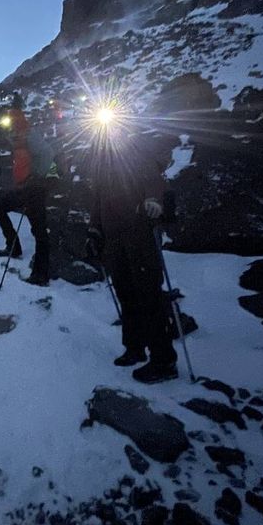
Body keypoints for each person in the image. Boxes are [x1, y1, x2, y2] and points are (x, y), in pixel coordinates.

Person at [88, 130, 178, 383]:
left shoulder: (135, 153)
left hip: (138, 229)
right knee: (125, 293)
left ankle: (163, 360)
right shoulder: (102, 164)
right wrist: (94, 230)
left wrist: (154, 200)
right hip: (114, 236)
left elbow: (153, 178)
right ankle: (135, 348)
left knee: (148, 293)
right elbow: (98, 200)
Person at [0, 94, 53, 286]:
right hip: (24, 187)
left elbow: (48, 153)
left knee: (39, 230)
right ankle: (13, 247)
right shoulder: (16, 135)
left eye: (13, 120)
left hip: (35, 188)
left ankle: (40, 274)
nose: (10, 125)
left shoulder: (29, 134)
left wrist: (37, 175)